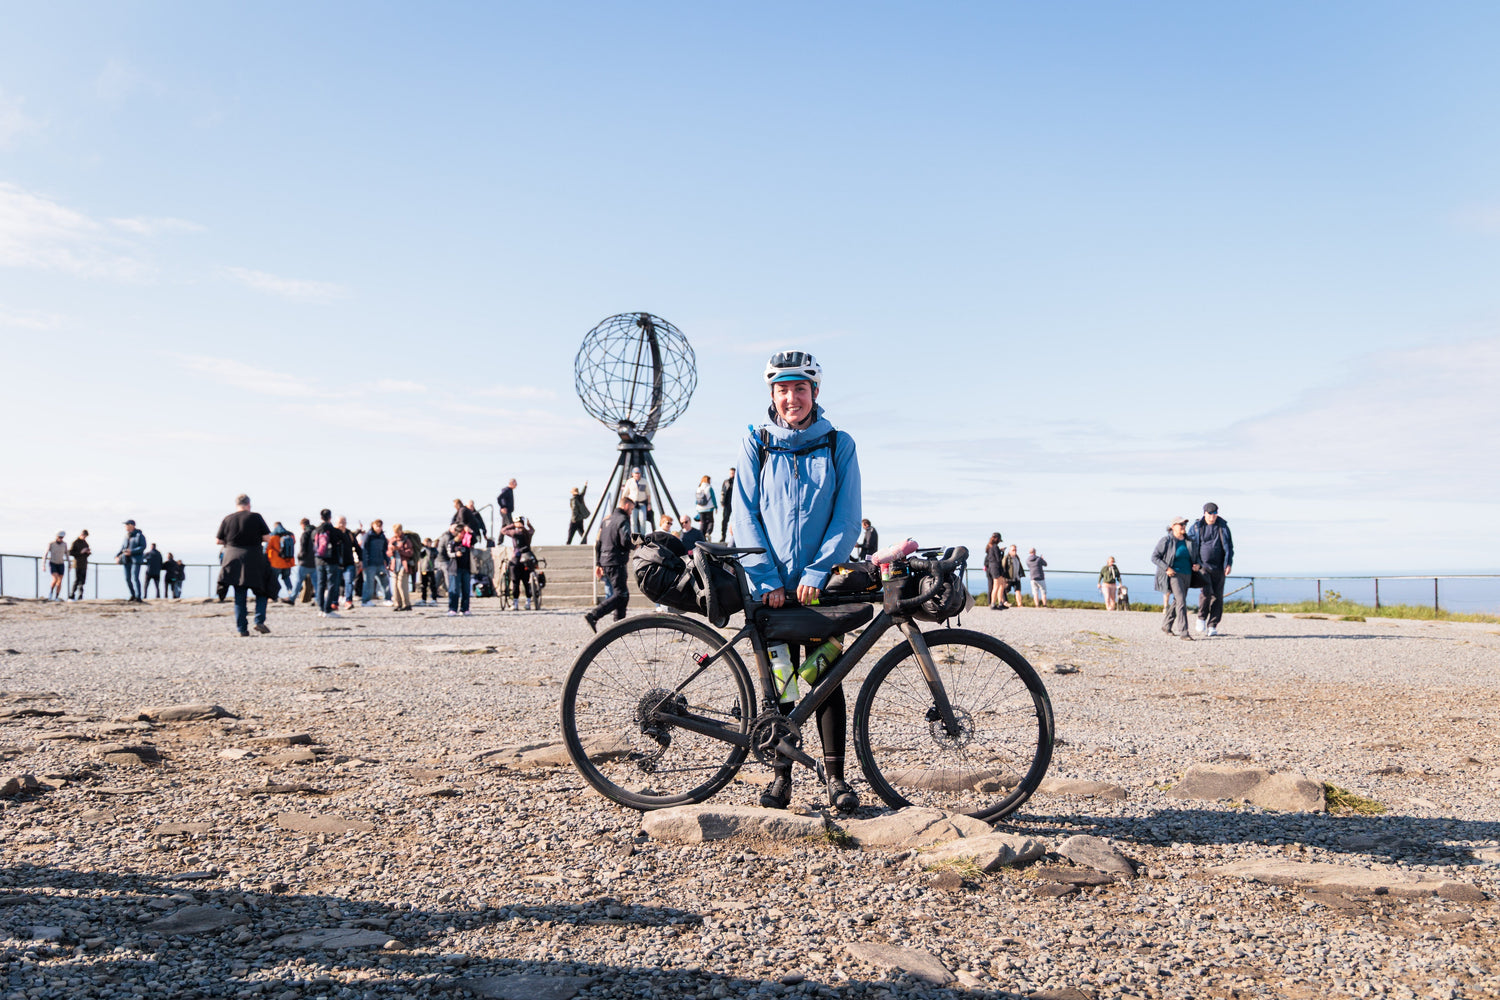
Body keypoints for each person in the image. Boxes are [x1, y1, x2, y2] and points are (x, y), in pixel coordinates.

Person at [734, 350, 862, 813]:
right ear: (772, 394)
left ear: (815, 393)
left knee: (826, 678)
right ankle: (781, 777)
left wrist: (817, 571)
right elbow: (743, 515)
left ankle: (836, 780)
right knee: (782, 684)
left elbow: (847, 518)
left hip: (820, 589)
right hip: (770, 588)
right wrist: (766, 576)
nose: (792, 398)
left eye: (800, 389)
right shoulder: (757, 443)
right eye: (783, 390)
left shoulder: (837, 444)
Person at [216, 494, 276, 637]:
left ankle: (241, 629)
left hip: (233, 559)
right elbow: (267, 537)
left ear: (236, 505)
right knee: (262, 591)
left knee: (239, 594)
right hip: (254, 558)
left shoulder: (228, 518)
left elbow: (218, 540)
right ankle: (259, 620)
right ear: (249, 504)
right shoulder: (255, 517)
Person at [583, 492, 635, 631]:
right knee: (621, 594)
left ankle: (618, 626)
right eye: (631, 509)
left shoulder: (607, 520)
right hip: (616, 561)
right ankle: (594, 615)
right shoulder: (623, 519)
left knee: (622, 594)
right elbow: (625, 541)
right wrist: (636, 544)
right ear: (626, 506)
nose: (631, 512)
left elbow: (598, 543)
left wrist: (598, 564)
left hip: (606, 560)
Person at [1152, 516, 1201, 640]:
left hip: (1188, 574)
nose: (1183, 527)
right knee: (1181, 602)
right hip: (1174, 575)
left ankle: (1166, 625)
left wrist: (1197, 565)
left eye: (1184, 524)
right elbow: (1155, 557)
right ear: (1173, 527)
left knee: (1178, 601)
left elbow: (1196, 557)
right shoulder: (1166, 541)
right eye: (1181, 524)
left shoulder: (1190, 541)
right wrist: (1166, 568)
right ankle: (1184, 632)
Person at [1190, 502, 1235, 636]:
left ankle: (1213, 625)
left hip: (1219, 567)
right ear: (1205, 513)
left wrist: (1229, 564)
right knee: (1206, 592)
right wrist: (1193, 563)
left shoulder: (1223, 526)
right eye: (1210, 513)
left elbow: (1229, 547)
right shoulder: (1197, 527)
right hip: (1202, 566)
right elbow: (1190, 545)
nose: (1212, 516)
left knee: (1218, 597)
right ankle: (1201, 618)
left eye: (1215, 513)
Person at [501, 515, 538, 610]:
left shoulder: (515, 532)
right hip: (527, 559)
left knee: (515, 582)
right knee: (526, 582)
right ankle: (528, 603)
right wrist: (529, 525)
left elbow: (503, 531)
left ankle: (516, 603)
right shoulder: (528, 532)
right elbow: (533, 530)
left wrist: (512, 525)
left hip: (517, 558)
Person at [313, 509, 343, 617]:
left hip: (319, 560)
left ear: (321, 517)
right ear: (330, 517)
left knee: (320, 584)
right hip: (332, 560)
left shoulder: (316, 530)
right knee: (331, 584)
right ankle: (327, 609)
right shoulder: (333, 530)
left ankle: (321, 608)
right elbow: (341, 540)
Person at [442, 521, 474, 616]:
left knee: (466, 590)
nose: (463, 535)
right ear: (457, 533)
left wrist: (471, 532)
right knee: (454, 589)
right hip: (455, 569)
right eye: (462, 533)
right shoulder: (452, 542)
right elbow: (448, 553)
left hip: (466, 568)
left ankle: (465, 608)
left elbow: (474, 540)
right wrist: (456, 554)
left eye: (464, 533)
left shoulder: (466, 542)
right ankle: (452, 608)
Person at [362, 520, 391, 606]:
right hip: (370, 564)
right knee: (369, 583)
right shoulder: (368, 536)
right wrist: (364, 563)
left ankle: (387, 599)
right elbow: (364, 549)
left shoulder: (382, 536)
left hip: (380, 563)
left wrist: (387, 561)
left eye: (380, 526)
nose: (379, 528)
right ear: (373, 526)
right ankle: (366, 601)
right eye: (377, 526)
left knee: (385, 581)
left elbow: (385, 549)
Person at [116, 520, 147, 602]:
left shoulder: (139, 535)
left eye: (126, 525)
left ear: (132, 525)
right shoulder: (126, 536)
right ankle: (132, 595)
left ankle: (138, 596)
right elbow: (123, 548)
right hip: (126, 560)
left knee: (135, 577)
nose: (125, 526)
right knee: (127, 578)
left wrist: (132, 551)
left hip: (136, 560)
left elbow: (143, 547)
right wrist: (117, 556)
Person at [289, 518, 317, 605]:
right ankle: (318, 600)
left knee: (298, 581)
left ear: (302, 525)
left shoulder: (305, 533)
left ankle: (292, 598)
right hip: (315, 561)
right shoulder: (316, 532)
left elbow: (303, 547)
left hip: (304, 562)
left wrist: (299, 557)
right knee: (316, 583)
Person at [389, 522, 414, 611]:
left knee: (401, 585)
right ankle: (398, 604)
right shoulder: (392, 540)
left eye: (397, 532)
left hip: (404, 565)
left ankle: (406, 604)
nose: (395, 534)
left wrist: (399, 550)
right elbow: (388, 553)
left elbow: (410, 553)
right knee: (395, 586)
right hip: (394, 565)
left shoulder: (406, 540)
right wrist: (391, 550)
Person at [266, 521, 295, 596]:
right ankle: (291, 593)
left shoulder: (272, 536)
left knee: (274, 579)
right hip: (287, 561)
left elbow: (266, 549)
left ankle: (274, 595)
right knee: (286, 578)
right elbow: (294, 542)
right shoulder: (290, 535)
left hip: (276, 563)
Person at [336, 516, 359, 610]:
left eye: (344, 522)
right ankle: (334, 602)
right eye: (340, 522)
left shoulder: (349, 534)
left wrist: (360, 559)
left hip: (349, 562)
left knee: (349, 582)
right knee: (336, 583)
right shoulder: (333, 533)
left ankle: (348, 601)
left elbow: (357, 547)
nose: (342, 524)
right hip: (336, 563)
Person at [623, 468, 652, 535]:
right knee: (633, 522)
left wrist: (649, 504)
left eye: (638, 473)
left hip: (642, 503)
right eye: (635, 473)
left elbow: (648, 494)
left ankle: (642, 536)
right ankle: (635, 537)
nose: (637, 475)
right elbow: (625, 494)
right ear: (632, 474)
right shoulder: (629, 482)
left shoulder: (644, 481)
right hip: (633, 504)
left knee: (642, 521)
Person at [983, 532, 1006, 610]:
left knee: (1001, 584)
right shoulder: (995, 547)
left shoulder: (990, 547)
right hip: (996, 567)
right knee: (996, 585)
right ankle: (993, 603)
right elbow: (999, 559)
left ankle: (999, 602)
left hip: (993, 567)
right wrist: (1002, 552)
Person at [693, 475, 718, 541]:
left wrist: (697, 508)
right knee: (710, 521)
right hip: (709, 508)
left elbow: (697, 500)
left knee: (703, 522)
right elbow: (713, 498)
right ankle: (708, 532)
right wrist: (716, 507)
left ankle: (701, 537)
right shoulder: (709, 487)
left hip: (700, 508)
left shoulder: (699, 488)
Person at [1001, 543, 1025, 609]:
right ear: (1010, 550)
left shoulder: (1017, 557)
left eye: (1015, 550)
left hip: (1016, 577)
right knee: (1005, 590)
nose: (1014, 551)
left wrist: (1021, 574)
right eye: (1013, 550)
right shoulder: (1007, 558)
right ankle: (1003, 602)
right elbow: (1003, 566)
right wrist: (1004, 576)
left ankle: (1019, 604)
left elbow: (1019, 566)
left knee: (1018, 590)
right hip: (1008, 578)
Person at [68, 530, 90, 600]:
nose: (84, 537)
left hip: (84, 564)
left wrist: (87, 553)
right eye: (84, 535)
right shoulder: (75, 543)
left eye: (86, 536)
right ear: (81, 534)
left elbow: (86, 555)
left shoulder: (85, 543)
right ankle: (72, 594)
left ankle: (80, 595)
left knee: (82, 581)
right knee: (77, 580)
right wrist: (80, 552)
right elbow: (70, 552)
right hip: (77, 564)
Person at [45, 532, 67, 601]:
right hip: (53, 563)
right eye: (59, 537)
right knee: (55, 579)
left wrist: (69, 564)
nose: (61, 538)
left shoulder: (64, 544)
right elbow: (46, 553)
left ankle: (57, 597)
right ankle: (51, 593)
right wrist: (43, 564)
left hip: (61, 563)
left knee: (60, 581)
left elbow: (67, 554)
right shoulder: (51, 544)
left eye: (62, 537)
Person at [418, 537, 439, 606]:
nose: (427, 544)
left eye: (428, 542)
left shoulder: (433, 550)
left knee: (432, 585)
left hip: (431, 569)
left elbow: (432, 555)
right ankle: (423, 599)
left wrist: (428, 548)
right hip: (423, 569)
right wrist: (423, 548)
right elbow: (420, 555)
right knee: (423, 585)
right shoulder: (422, 549)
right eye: (426, 542)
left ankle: (434, 599)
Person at [717, 468, 735, 543]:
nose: (732, 474)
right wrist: (722, 502)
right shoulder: (726, 482)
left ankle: (734, 537)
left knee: (735, 521)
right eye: (730, 473)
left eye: (733, 473)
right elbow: (723, 492)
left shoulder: (738, 481)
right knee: (725, 520)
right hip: (727, 504)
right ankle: (723, 536)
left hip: (735, 504)